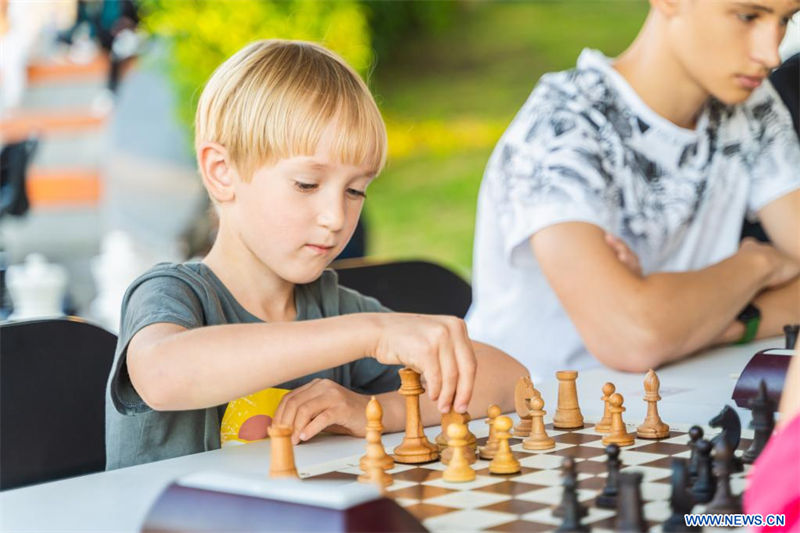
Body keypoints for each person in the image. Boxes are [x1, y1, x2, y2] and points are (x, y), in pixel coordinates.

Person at [105, 40, 526, 469]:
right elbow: (163, 375)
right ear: (222, 172)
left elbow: (511, 381)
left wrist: (374, 411)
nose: (336, 216)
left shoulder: (330, 307)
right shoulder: (171, 293)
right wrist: (370, 333)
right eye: (307, 183)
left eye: (355, 190)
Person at [466, 0, 800, 381]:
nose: (771, 53)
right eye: (748, 16)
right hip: (535, 421)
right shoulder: (563, 126)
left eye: (785, 20)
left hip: (676, 402)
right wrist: (758, 264)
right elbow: (632, 337)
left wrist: (730, 323)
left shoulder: (751, 107)